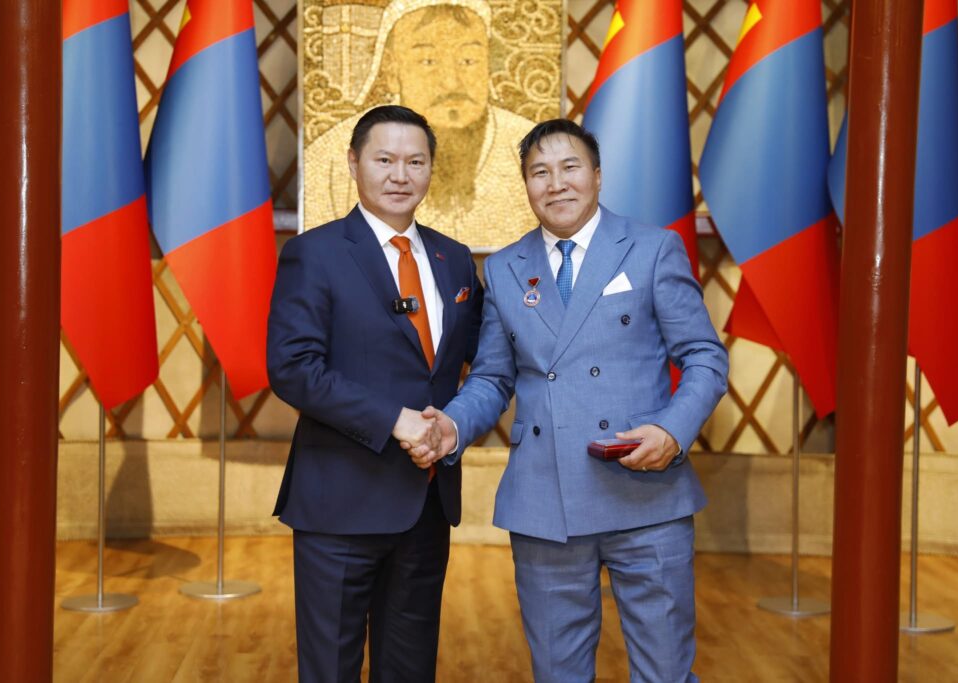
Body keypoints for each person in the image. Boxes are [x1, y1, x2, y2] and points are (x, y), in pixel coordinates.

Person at [413, 119, 729, 682]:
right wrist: (452, 427)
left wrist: (672, 431)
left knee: (665, 673)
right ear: (526, 186)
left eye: (570, 167)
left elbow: (704, 356)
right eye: (540, 172)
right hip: (544, 503)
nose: (556, 183)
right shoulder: (505, 269)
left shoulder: (652, 249)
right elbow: (492, 378)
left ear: (598, 176)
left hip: (646, 494)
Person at [267, 105, 483, 682]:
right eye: (384, 160)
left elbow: (486, 358)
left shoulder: (455, 260)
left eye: (416, 161)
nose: (400, 175)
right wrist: (396, 419)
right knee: (331, 670)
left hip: (427, 504)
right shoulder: (315, 253)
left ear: (432, 169)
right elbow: (293, 368)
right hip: (341, 503)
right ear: (353, 163)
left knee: (411, 668)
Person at [304, 0, 537, 248]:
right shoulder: (330, 157)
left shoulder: (527, 147)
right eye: (428, 61)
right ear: (392, 70)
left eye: (468, 60)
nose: (451, 82)